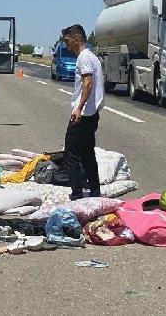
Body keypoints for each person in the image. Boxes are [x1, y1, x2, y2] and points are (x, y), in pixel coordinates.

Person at [60, 24, 105, 200]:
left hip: (83, 114)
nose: (67, 45)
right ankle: (95, 190)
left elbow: (88, 83)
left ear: (77, 39)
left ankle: (76, 192)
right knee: (87, 153)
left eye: (68, 41)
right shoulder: (93, 57)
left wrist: (78, 107)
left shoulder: (84, 58)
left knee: (70, 153)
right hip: (92, 114)